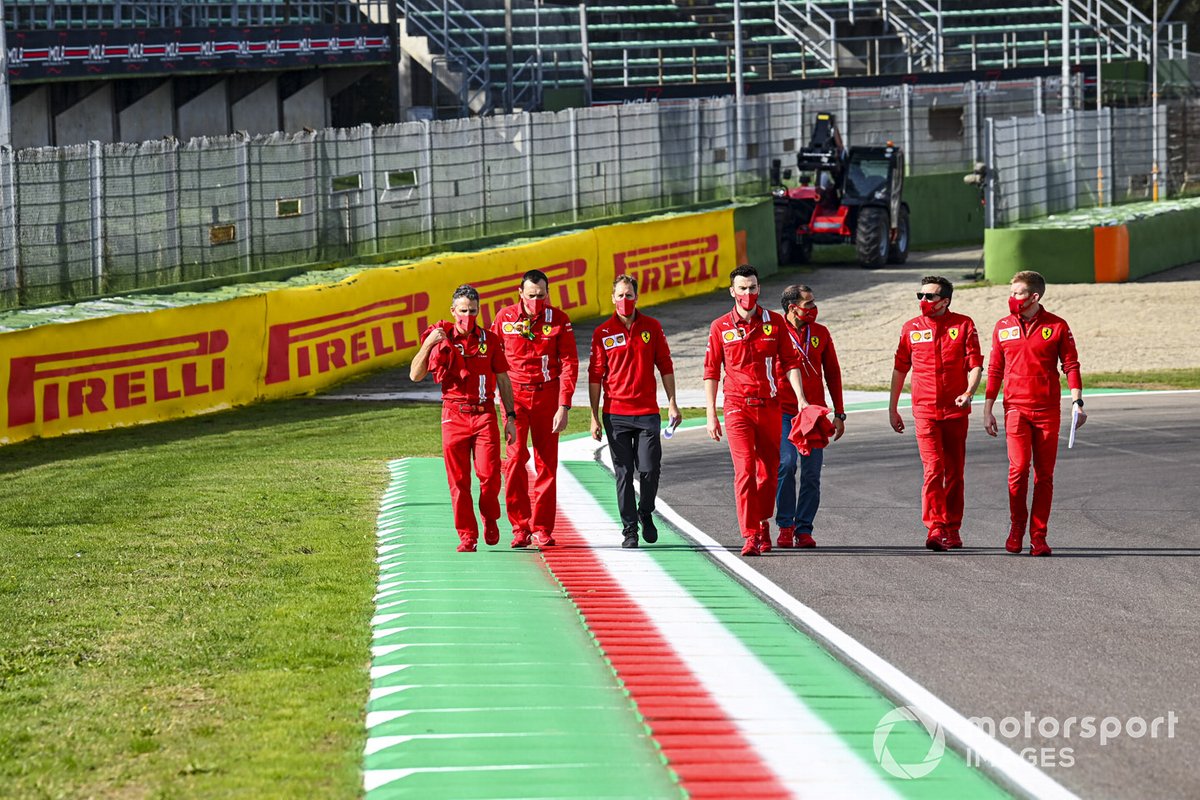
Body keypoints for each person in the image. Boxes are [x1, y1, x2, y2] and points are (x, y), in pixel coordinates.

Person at [704, 264, 807, 557]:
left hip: (770, 406)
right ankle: (750, 534)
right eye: (742, 288)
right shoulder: (720, 327)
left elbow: (789, 363)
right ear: (732, 291)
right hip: (736, 407)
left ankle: (763, 521)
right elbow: (711, 371)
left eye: (752, 287)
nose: (747, 293)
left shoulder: (775, 323)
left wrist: (800, 398)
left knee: (769, 473)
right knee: (745, 471)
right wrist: (711, 413)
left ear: (758, 289)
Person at [983, 270, 1086, 557]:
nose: (1012, 298)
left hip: (1047, 410)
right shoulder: (1002, 326)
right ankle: (1017, 528)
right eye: (1012, 292)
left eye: (1017, 293)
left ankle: (1038, 535)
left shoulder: (1057, 326)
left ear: (1034, 296)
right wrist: (988, 409)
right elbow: (995, 369)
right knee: (1017, 471)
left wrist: (1077, 401)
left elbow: (1071, 365)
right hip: (1014, 408)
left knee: (1045, 475)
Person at [409, 284, 517, 552]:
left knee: (490, 476)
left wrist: (511, 416)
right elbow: (415, 375)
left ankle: (490, 517)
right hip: (453, 414)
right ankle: (467, 535)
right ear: (452, 311)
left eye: (472, 311)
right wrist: (428, 344)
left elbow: (503, 379)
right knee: (458, 481)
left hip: (484, 415)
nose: (467, 316)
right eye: (462, 311)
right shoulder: (441, 337)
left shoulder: (489, 340)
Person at [888, 276, 983, 551]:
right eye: (920, 295)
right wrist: (893, 408)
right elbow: (900, 369)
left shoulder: (963, 324)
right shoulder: (911, 328)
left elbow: (975, 364)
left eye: (929, 296)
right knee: (933, 469)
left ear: (945, 301)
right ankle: (936, 527)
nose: (923, 301)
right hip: (925, 410)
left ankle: (953, 527)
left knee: (954, 472)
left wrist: (968, 392)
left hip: (956, 411)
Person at [588, 275, 683, 548]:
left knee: (650, 469)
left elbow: (665, 365)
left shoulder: (651, 327)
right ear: (612, 298)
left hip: (647, 413)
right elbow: (595, 376)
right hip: (615, 413)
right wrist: (594, 416)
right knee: (623, 472)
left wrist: (673, 402)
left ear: (637, 297)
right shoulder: (602, 332)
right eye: (620, 295)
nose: (624, 300)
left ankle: (646, 510)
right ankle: (629, 530)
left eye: (629, 295)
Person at [491, 269, 579, 548]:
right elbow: (492, 357)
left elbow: (569, 363)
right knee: (515, 460)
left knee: (546, 464)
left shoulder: (560, 320)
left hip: (547, 396)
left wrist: (563, 405)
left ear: (547, 294)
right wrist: (493, 396)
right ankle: (519, 526)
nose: (536, 300)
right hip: (514, 397)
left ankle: (542, 527)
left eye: (541, 295)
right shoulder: (505, 318)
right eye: (531, 295)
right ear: (520, 293)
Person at [775, 285, 845, 549]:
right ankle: (785, 525)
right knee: (787, 464)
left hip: (814, 413)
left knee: (812, 474)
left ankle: (803, 528)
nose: (814, 309)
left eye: (814, 303)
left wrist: (839, 413)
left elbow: (833, 374)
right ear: (792, 308)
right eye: (809, 304)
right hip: (783, 410)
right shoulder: (774, 330)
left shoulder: (821, 333)